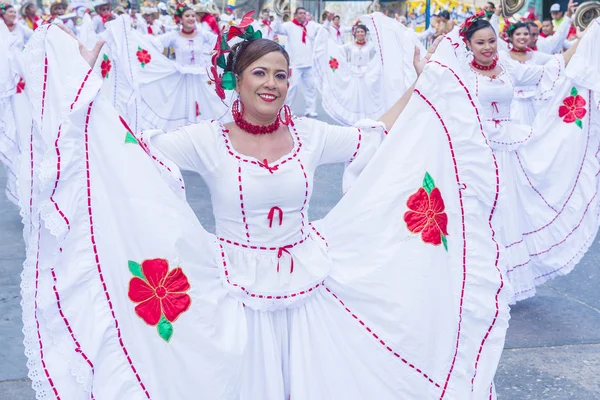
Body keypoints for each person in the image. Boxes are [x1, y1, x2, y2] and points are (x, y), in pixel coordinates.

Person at [19, 18, 514, 398]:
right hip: (234, 285)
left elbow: (378, 134)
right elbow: (126, 155)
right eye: (260, 72)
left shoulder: (311, 134)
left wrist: (421, 85)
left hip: (310, 280)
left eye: (281, 74)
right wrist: (84, 93)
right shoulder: (207, 140)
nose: (272, 83)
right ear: (237, 80)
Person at [459, 12, 599, 302]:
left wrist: (583, 41)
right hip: (475, 151)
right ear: (468, 45)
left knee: (507, 212)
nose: (487, 48)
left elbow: (553, 69)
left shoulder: (508, 68)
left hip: (508, 151)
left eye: (491, 42)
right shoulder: (458, 74)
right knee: (476, 213)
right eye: (480, 42)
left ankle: (501, 280)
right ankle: (473, 280)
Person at [501, 21, 554, 125]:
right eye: (518, 34)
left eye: (526, 34)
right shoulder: (503, 56)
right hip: (509, 109)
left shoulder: (537, 56)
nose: (522, 37)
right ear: (511, 37)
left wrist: (581, 40)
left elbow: (560, 61)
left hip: (533, 107)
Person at [273, 7, 321, 117]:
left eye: (304, 13)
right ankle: (286, 110)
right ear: (296, 15)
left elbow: (323, 30)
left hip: (309, 63)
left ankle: (310, 110)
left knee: (311, 87)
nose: (303, 15)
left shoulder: (311, 25)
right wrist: (278, 17)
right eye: (300, 13)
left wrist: (328, 20)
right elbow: (278, 29)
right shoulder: (289, 26)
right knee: (292, 88)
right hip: (294, 63)